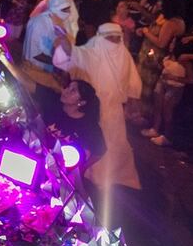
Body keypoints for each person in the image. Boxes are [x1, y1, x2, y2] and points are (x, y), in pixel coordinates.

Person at [53, 22, 143, 190]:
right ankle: (86, 172)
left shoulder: (124, 55)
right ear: (100, 38)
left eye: (117, 39)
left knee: (110, 144)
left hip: (113, 112)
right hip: (90, 108)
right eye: (110, 39)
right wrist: (64, 39)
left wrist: (131, 105)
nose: (114, 43)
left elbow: (132, 84)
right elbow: (74, 54)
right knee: (90, 141)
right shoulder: (91, 53)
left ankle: (106, 175)